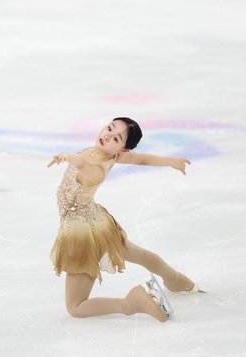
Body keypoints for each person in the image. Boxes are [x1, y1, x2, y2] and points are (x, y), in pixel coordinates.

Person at [47, 117, 201, 322]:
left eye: (116, 138)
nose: (107, 135)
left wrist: (67, 156)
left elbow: (83, 164)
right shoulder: (108, 155)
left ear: (122, 149)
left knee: (75, 307)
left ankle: (131, 302)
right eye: (110, 128)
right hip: (96, 222)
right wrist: (170, 161)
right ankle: (176, 279)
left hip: (83, 235)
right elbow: (142, 159)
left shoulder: (97, 168)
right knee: (139, 254)